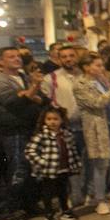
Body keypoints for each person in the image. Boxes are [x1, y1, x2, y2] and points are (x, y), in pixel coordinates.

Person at [0, 46, 48, 220]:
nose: (17, 59)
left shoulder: (23, 77)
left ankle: (30, 204)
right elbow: (14, 102)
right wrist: (31, 91)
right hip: (13, 131)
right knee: (17, 169)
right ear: (1, 61)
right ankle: (14, 208)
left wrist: (30, 94)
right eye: (11, 56)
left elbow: (42, 99)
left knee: (32, 169)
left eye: (18, 56)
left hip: (30, 128)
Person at [75, 53, 110, 215]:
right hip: (97, 128)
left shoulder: (102, 80)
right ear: (87, 67)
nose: (102, 68)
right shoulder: (80, 85)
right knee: (100, 165)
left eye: (102, 65)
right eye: (98, 65)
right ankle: (100, 199)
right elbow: (98, 102)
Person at [42, 44, 86, 205]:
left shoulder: (86, 75)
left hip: (86, 125)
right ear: (59, 59)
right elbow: (48, 101)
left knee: (86, 161)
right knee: (68, 164)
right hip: (65, 127)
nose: (68, 59)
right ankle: (73, 196)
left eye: (71, 55)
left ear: (77, 57)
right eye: (64, 56)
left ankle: (87, 194)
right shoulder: (51, 78)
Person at [24, 107, 82, 220]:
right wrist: (42, 162)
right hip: (48, 170)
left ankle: (65, 210)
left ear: (61, 120)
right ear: (44, 120)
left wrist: (75, 164)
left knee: (63, 191)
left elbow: (72, 150)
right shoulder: (41, 135)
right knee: (48, 192)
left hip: (63, 168)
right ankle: (48, 214)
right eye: (49, 119)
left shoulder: (66, 134)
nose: (52, 122)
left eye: (55, 119)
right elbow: (29, 151)